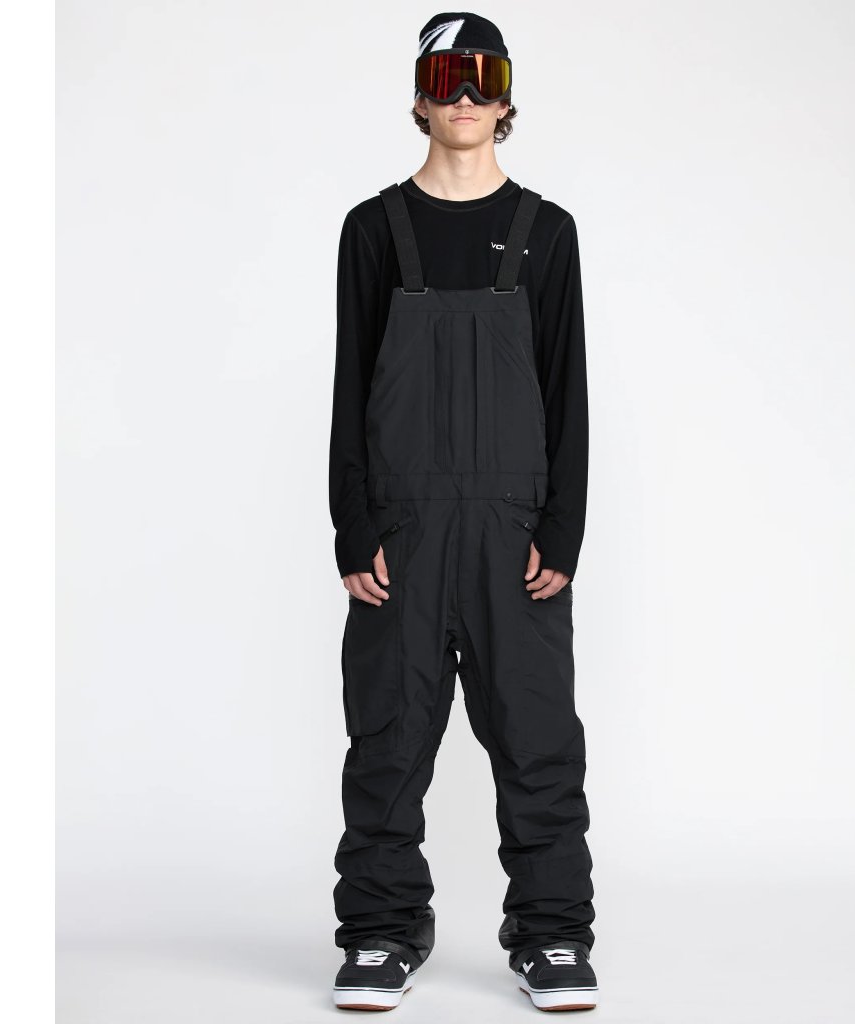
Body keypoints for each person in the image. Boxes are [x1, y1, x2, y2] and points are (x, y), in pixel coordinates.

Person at [328, 12, 598, 1012]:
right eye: (447, 77)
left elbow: (568, 392)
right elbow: (349, 386)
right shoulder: (373, 229)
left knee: (536, 735)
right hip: (400, 532)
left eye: (485, 76)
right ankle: (381, 929)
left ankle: (552, 933)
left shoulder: (547, 232)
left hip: (512, 533)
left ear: (508, 97)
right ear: (419, 97)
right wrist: (352, 525)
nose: (467, 96)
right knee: (388, 736)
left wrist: (562, 530)